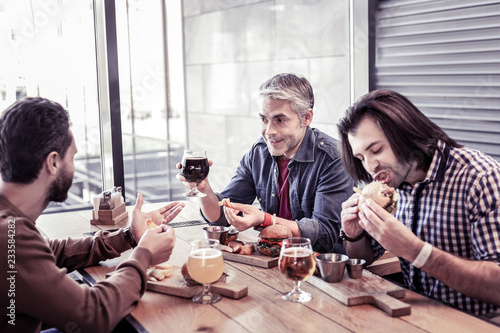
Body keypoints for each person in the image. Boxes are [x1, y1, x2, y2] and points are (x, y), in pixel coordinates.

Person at [0, 97, 185, 333]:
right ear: (53, 162)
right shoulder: (8, 235)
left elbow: (49, 251)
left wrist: (129, 236)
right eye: (73, 157)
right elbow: (94, 315)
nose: (74, 168)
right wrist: (144, 255)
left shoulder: (11, 226)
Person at [337, 89, 500, 316]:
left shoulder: (480, 177)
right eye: (361, 158)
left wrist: (415, 251)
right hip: (413, 315)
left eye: (376, 150)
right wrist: (354, 234)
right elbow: (365, 258)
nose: (370, 166)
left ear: (405, 134)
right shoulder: (391, 184)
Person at [177, 73, 354, 253]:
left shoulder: (334, 158)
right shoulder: (259, 153)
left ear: (306, 118)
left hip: (324, 267)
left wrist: (265, 219)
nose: (269, 131)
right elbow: (221, 217)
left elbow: (325, 235)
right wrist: (204, 190)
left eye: (280, 120)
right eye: (264, 119)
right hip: (275, 257)